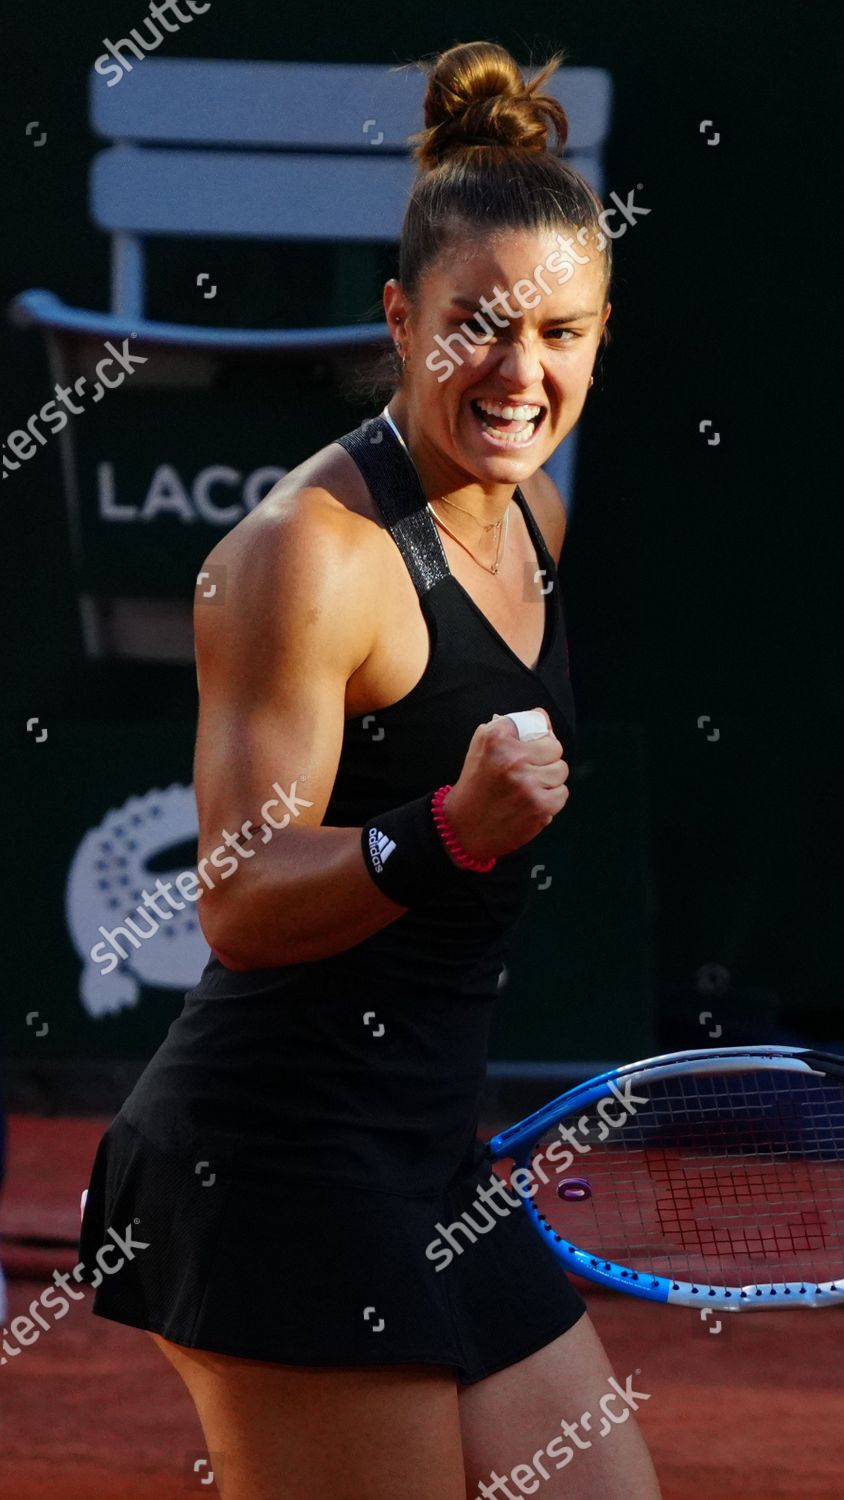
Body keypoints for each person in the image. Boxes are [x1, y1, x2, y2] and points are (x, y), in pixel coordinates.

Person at [78, 38, 662, 1500]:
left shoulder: (533, 526)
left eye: (563, 333)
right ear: (400, 321)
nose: (522, 374)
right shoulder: (303, 559)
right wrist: (447, 834)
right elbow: (236, 899)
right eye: (478, 326)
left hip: (424, 1156)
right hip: (268, 1166)